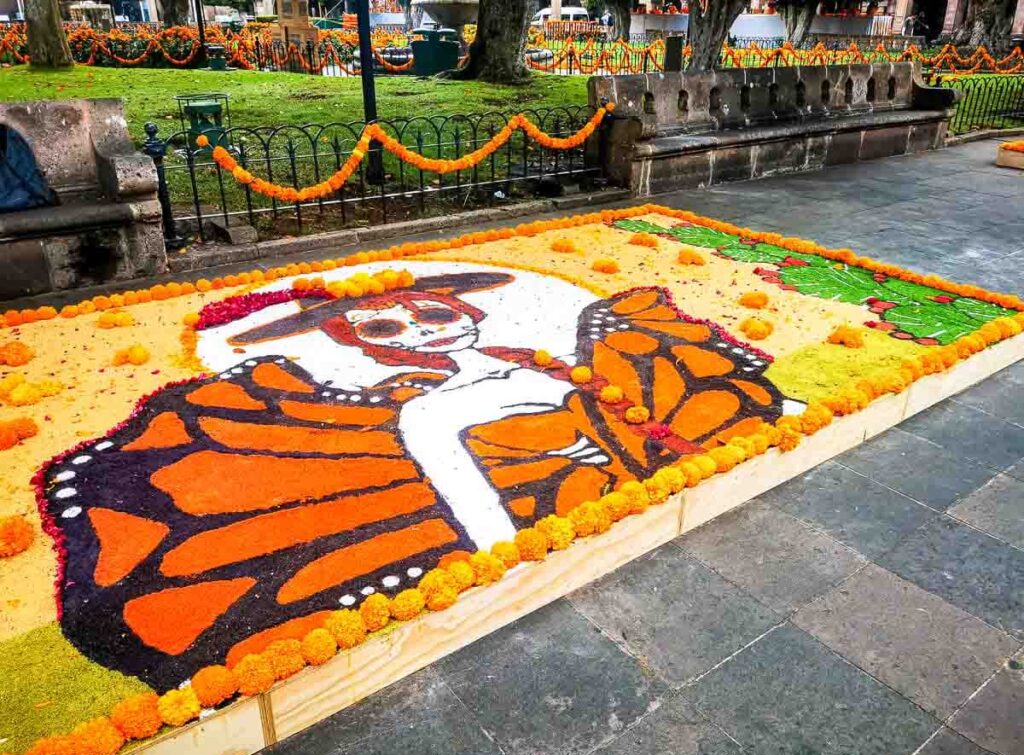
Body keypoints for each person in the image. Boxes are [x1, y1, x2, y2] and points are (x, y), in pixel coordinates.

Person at [45, 266, 789, 688]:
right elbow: (441, 452)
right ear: (359, 344)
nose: (424, 329)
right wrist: (498, 554)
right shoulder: (422, 406)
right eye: (384, 329)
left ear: (458, 306)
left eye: (429, 312)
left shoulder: (533, 356)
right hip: (502, 496)